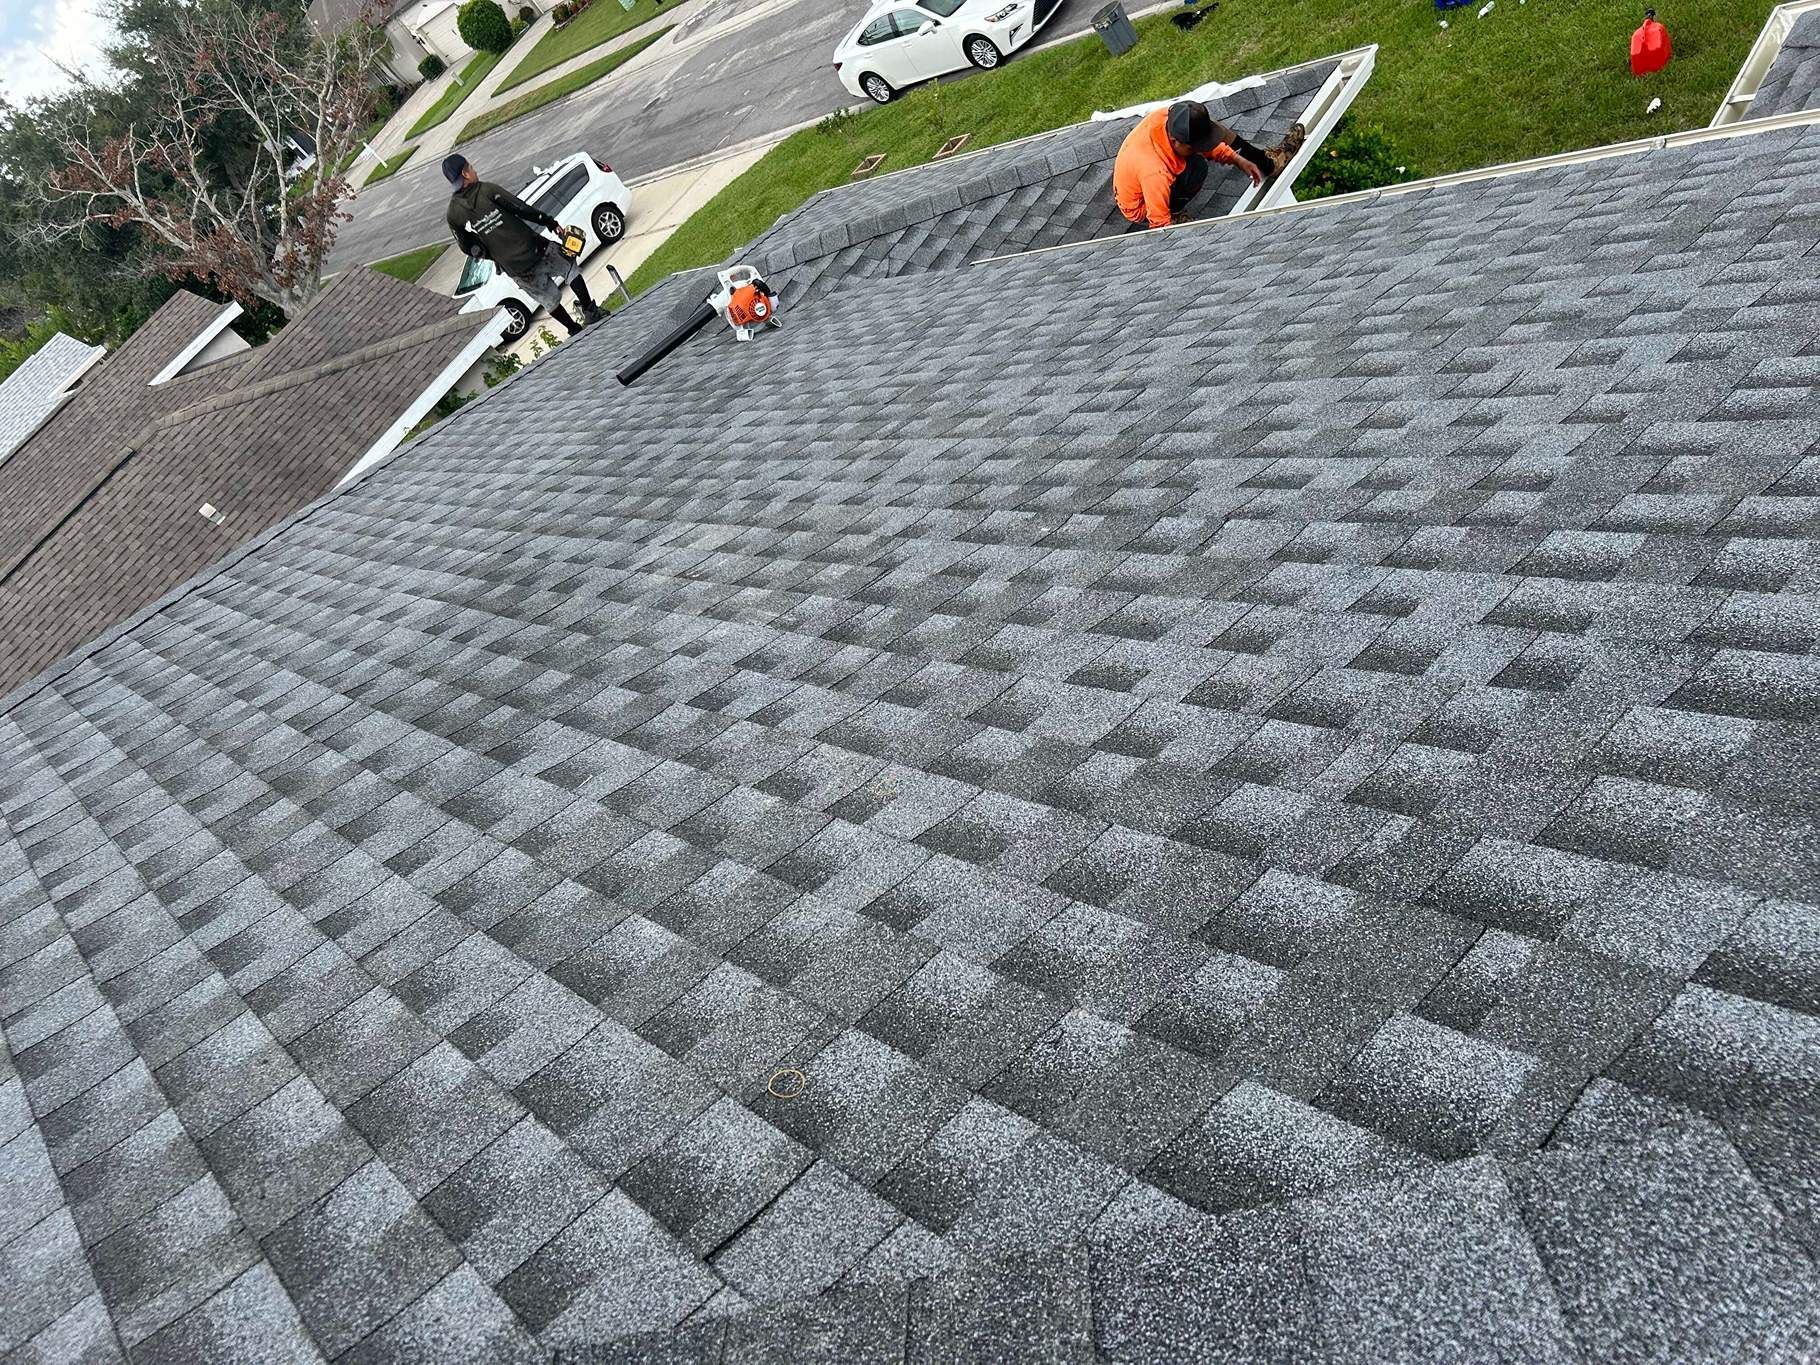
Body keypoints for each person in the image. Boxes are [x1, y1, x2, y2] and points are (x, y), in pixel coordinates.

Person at [443, 153, 603, 335]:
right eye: (471, 167)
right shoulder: (486, 190)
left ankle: (574, 330)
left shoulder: (453, 214)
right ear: (465, 174)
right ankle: (592, 314)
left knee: (548, 299)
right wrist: (549, 222)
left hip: (516, 269)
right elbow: (520, 208)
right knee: (569, 268)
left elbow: (468, 248)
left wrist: (494, 255)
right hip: (535, 248)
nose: (475, 170)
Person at [1114, 101, 1305, 232]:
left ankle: (1266, 163)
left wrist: (1237, 158)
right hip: (1141, 207)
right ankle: (1176, 214)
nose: (1203, 148)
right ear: (1174, 140)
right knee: (1198, 168)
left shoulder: (1173, 116)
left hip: (1149, 172)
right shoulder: (1155, 173)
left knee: (1200, 129)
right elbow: (1159, 227)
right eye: (1195, 146)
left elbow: (1201, 142)